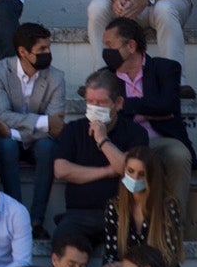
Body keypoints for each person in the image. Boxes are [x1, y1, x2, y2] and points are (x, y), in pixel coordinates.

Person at [97, 15, 197, 214]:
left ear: (131, 46)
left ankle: (173, 223)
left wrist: (124, 106)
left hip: (163, 139)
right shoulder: (105, 76)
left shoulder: (166, 68)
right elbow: (105, 115)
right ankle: (126, 222)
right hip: (126, 141)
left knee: (179, 155)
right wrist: (149, 109)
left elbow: (167, 106)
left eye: (110, 44)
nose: (106, 51)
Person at [51, 70, 148, 250]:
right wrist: (107, 171)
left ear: (118, 103)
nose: (95, 107)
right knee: (64, 249)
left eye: (102, 102)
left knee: (126, 262)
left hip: (122, 214)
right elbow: (61, 169)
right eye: (90, 102)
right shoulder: (73, 130)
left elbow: (129, 172)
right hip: (78, 215)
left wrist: (102, 140)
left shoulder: (136, 133)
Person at [0, 23, 68, 233]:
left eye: (49, 48)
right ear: (23, 52)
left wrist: (13, 131)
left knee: (47, 148)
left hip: (37, 141)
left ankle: (36, 221)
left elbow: (55, 124)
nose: (47, 53)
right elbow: (1, 115)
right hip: (9, 140)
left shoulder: (56, 77)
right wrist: (43, 122)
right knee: (6, 146)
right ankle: (15, 218)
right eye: (42, 49)